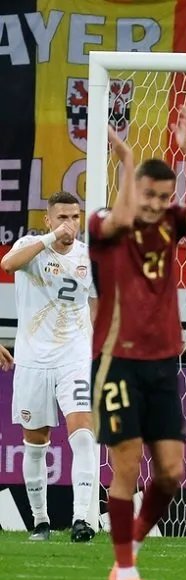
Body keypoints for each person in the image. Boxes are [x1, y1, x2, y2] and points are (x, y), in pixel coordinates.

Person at [90, 107, 186, 580]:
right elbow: (124, 217)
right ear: (135, 189)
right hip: (117, 361)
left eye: (163, 197)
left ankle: (131, 545)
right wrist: (126, 160)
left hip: (163, 361)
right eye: (149, 194)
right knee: (127, 465)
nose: (155, 204)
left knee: (170, 474)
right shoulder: (102, 223)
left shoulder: (170, 223)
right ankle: (124, 572)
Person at [1, 192, 98, 543]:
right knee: (35, 442)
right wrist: (50, 239)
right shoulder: (30, 246)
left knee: (83, 431)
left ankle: (81, 519)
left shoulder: (89, 257)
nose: (69, 224)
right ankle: (40, 522)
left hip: (73, 357)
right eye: (62, 217)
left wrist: (91, 342)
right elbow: (8, 265)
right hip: (32, 360)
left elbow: (95, 301)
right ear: (48, 220)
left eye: (74, 217)